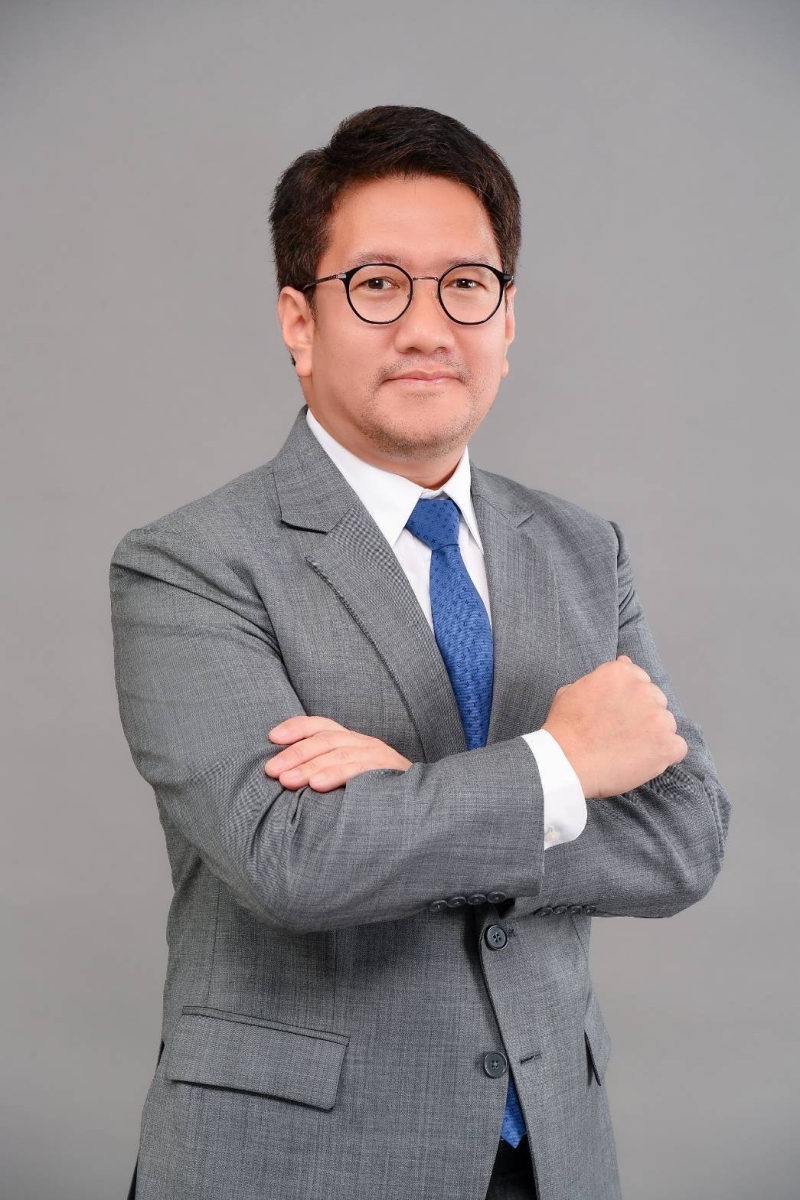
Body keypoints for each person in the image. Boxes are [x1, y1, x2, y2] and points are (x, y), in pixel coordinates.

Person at [110, 104, 731, 1200]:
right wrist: (558, 771)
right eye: (378, 284)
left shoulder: (583, 550)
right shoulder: (189, 563)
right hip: (296, 1162)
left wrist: (408, 794)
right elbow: (292, 858)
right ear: (299, 323)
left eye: (466, 285)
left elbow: (684, 839)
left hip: (549, 1152)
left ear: (507, 320)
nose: (428, 326)